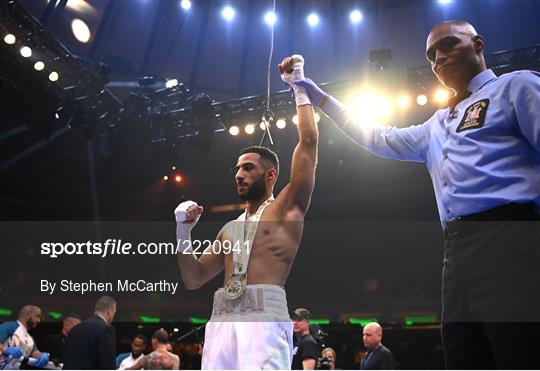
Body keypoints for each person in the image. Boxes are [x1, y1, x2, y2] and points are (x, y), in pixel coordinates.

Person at [294, 20, 540, 369]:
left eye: (449, 45)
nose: (438, 58)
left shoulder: (516, 87)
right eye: (431, 55)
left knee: (521, 352)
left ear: (478, 45)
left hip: (511, 236)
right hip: (456, 251)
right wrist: (318, 97)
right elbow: (378, 136)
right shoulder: (437, 123)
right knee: (465, 355)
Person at [175, 54, 318, 369]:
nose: (238, 174)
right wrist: (182, 231)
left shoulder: (286, 209)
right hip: (222, 318)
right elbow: (194, 278)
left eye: (248, 168)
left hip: (264, 317)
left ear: (270, 175)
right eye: (237, 168)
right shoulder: (228, 229)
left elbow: (308, 142)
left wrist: (298, 86)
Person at [63, 296, 117, 370]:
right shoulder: (106, 329)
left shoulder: (76, 328)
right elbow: (107, 363)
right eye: (114, 313)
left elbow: (68, 357)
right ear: (109, 311)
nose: (113, 316)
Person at [0, 305, 50, 369]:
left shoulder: (30, 339)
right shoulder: (10, 326)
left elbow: (35, 353)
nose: (39, 321)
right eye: (37, 316)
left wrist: (43, 355)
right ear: (27, 315)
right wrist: (5, 350)